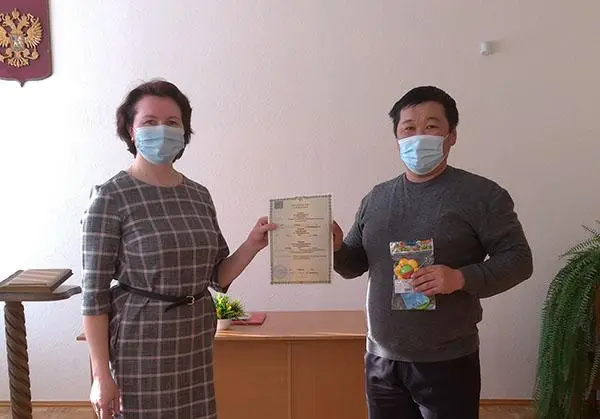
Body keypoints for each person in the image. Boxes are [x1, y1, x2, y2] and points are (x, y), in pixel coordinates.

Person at [332, 86, 533, 419]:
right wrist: (337, 247)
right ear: (397, 138)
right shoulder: (376, 198)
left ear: (451, 136)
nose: (418, 136)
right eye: (409, 128)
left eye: (431, 126)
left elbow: (519, 260)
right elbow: (354, 264)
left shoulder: (482, 195)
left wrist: (459, 278)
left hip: (448, 361)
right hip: (381, 360)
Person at [80, 79, 277, 419]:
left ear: (184, 132)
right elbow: (93, 296)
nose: (162, 130)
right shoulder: (110, 197)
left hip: (195, 333)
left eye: (172, 122)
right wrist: (100, 375)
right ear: (131, 130)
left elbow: (216, 276)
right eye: (150, 121)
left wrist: (252, 245)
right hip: (141, 338)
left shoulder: (198, 195)